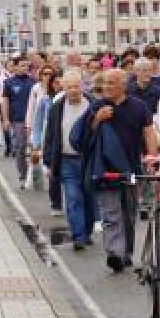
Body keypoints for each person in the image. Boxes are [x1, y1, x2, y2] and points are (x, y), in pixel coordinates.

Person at [74, 69, 159, 272]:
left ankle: (125, 252)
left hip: (130, 169)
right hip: (104, 170)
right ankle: (114, 253)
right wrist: (97, 119)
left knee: (129, 214)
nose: (107, 87)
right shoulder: (97, 106)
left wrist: (152, 157)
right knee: (111, 215)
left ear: (123, 85)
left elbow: (148, 132)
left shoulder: (138, 107)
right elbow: (83, 137)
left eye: (111, 83)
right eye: (105, 83)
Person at [45, 70, 96, 250]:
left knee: (89, 198)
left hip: (88, 160)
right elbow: (50, 135)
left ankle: (87, 230)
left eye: (76, 86)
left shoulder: (93, 105)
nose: (73, 90)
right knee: (73, 198)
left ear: (82, 85)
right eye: (69, 87)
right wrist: (48, 162)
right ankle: (78, 236)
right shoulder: (56, 108)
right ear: (63, 88)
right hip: (66, 160)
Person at [27, 66, 62, 206]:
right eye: (56, 82)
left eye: (61, 82)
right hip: (48, 140)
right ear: (51, 84)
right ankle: (56, 201)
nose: (59, 85)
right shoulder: (45, 100)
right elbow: (38, 123)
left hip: (65, 143)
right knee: (51, 172)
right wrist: (35, 144)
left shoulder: (69, 100)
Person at [0, 55, 37, 187]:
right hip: (18, 120)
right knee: (20, 146)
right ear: (15, 67)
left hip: (32, 120)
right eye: (22, 65)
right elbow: (5, 101)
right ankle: (23, 173)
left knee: (34, 148)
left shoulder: (33, 82)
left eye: (27, 66)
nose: (25, 68)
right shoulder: (9, 83)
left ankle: (35, 174)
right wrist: (5, 119)